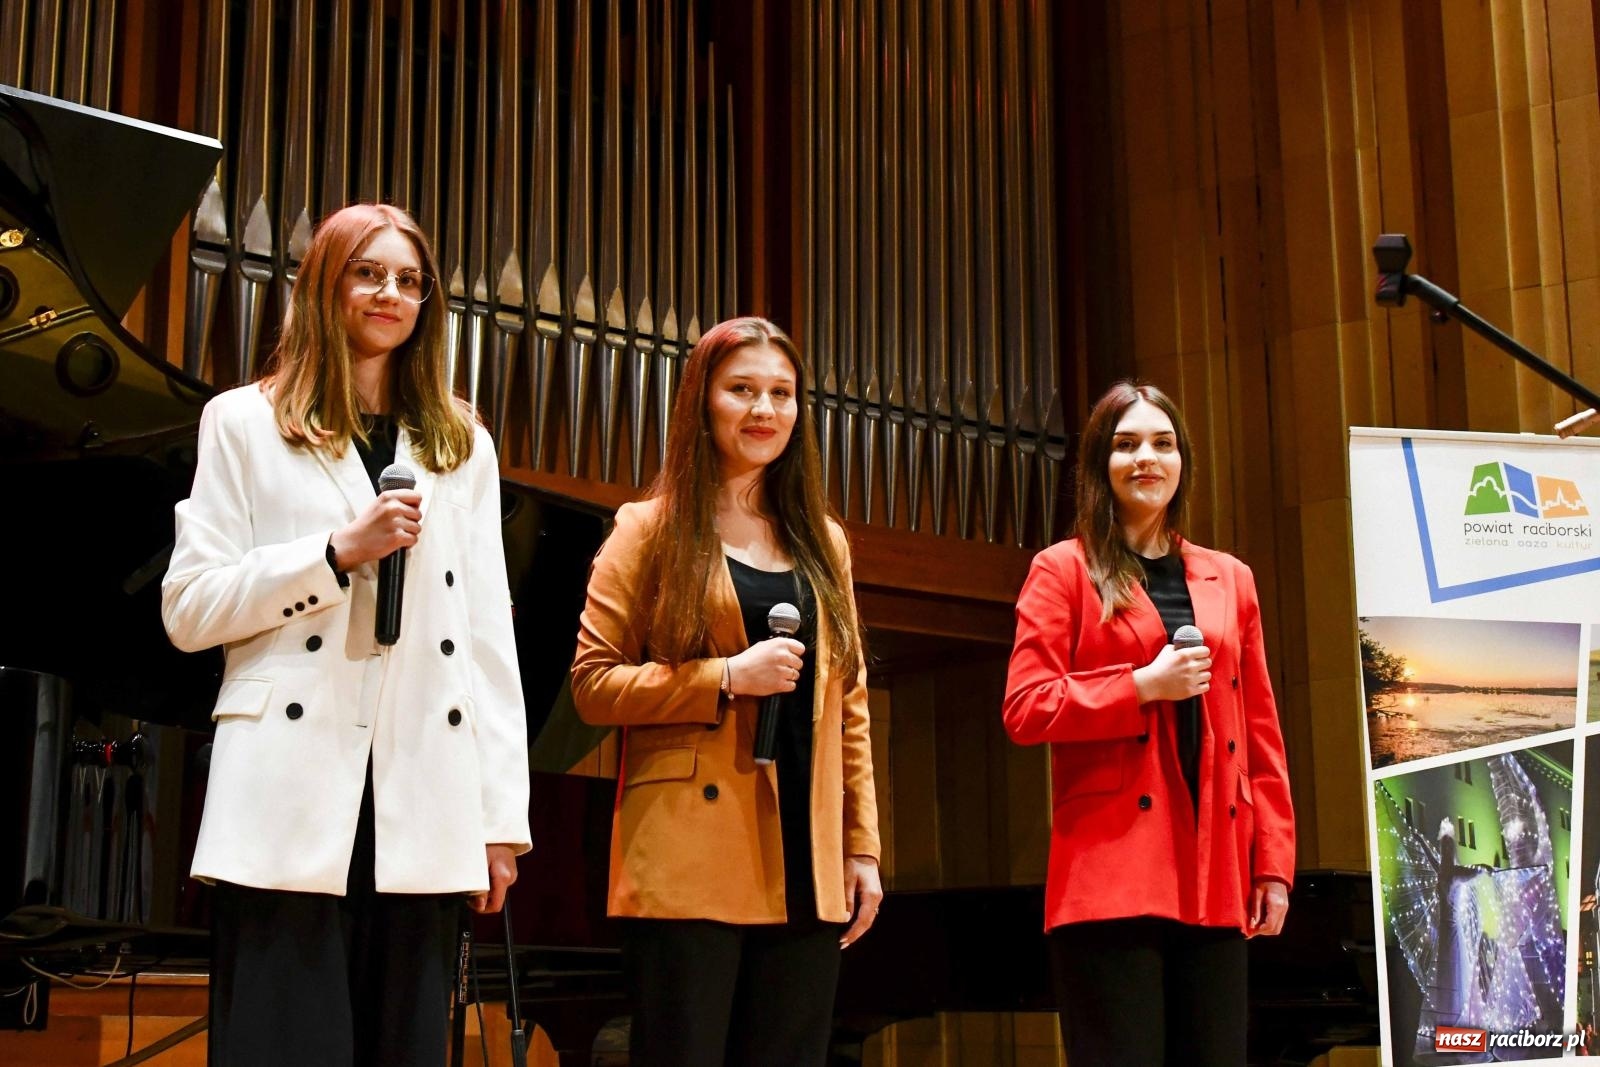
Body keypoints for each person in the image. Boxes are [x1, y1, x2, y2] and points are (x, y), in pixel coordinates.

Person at [161, 203, 530, 1067]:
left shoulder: (460, 443)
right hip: (287, 792)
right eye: (368, 272)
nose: (390, 293)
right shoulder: (244, 422)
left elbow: (486, 637)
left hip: (422, 795)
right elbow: (189, 607)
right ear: (326, 285)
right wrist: (334, 553)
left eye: (408, 280)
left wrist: (500, 817)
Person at [570, 316, 882, 1067]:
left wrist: (862, 845)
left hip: (804, 855)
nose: (764, 410)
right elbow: (591, 684)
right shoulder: (648, 529)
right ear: (702, 400)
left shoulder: (823, 540)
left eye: (781, 393)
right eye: (742, 389)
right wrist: (724, 677)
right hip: (688, 849)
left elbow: (851, 701)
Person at [1001, 380, 1295, 1067]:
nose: (1146, 458)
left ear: (1183, 460)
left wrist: (1273, 862)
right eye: (1127, 443)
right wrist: (1140, 685)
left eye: (1163, 443)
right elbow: (1024, 705)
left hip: (1217, 863)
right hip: (1110, 868)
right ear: (1100, 461)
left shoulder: (1231, 577)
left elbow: (1261, 730)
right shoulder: (1063, 570)